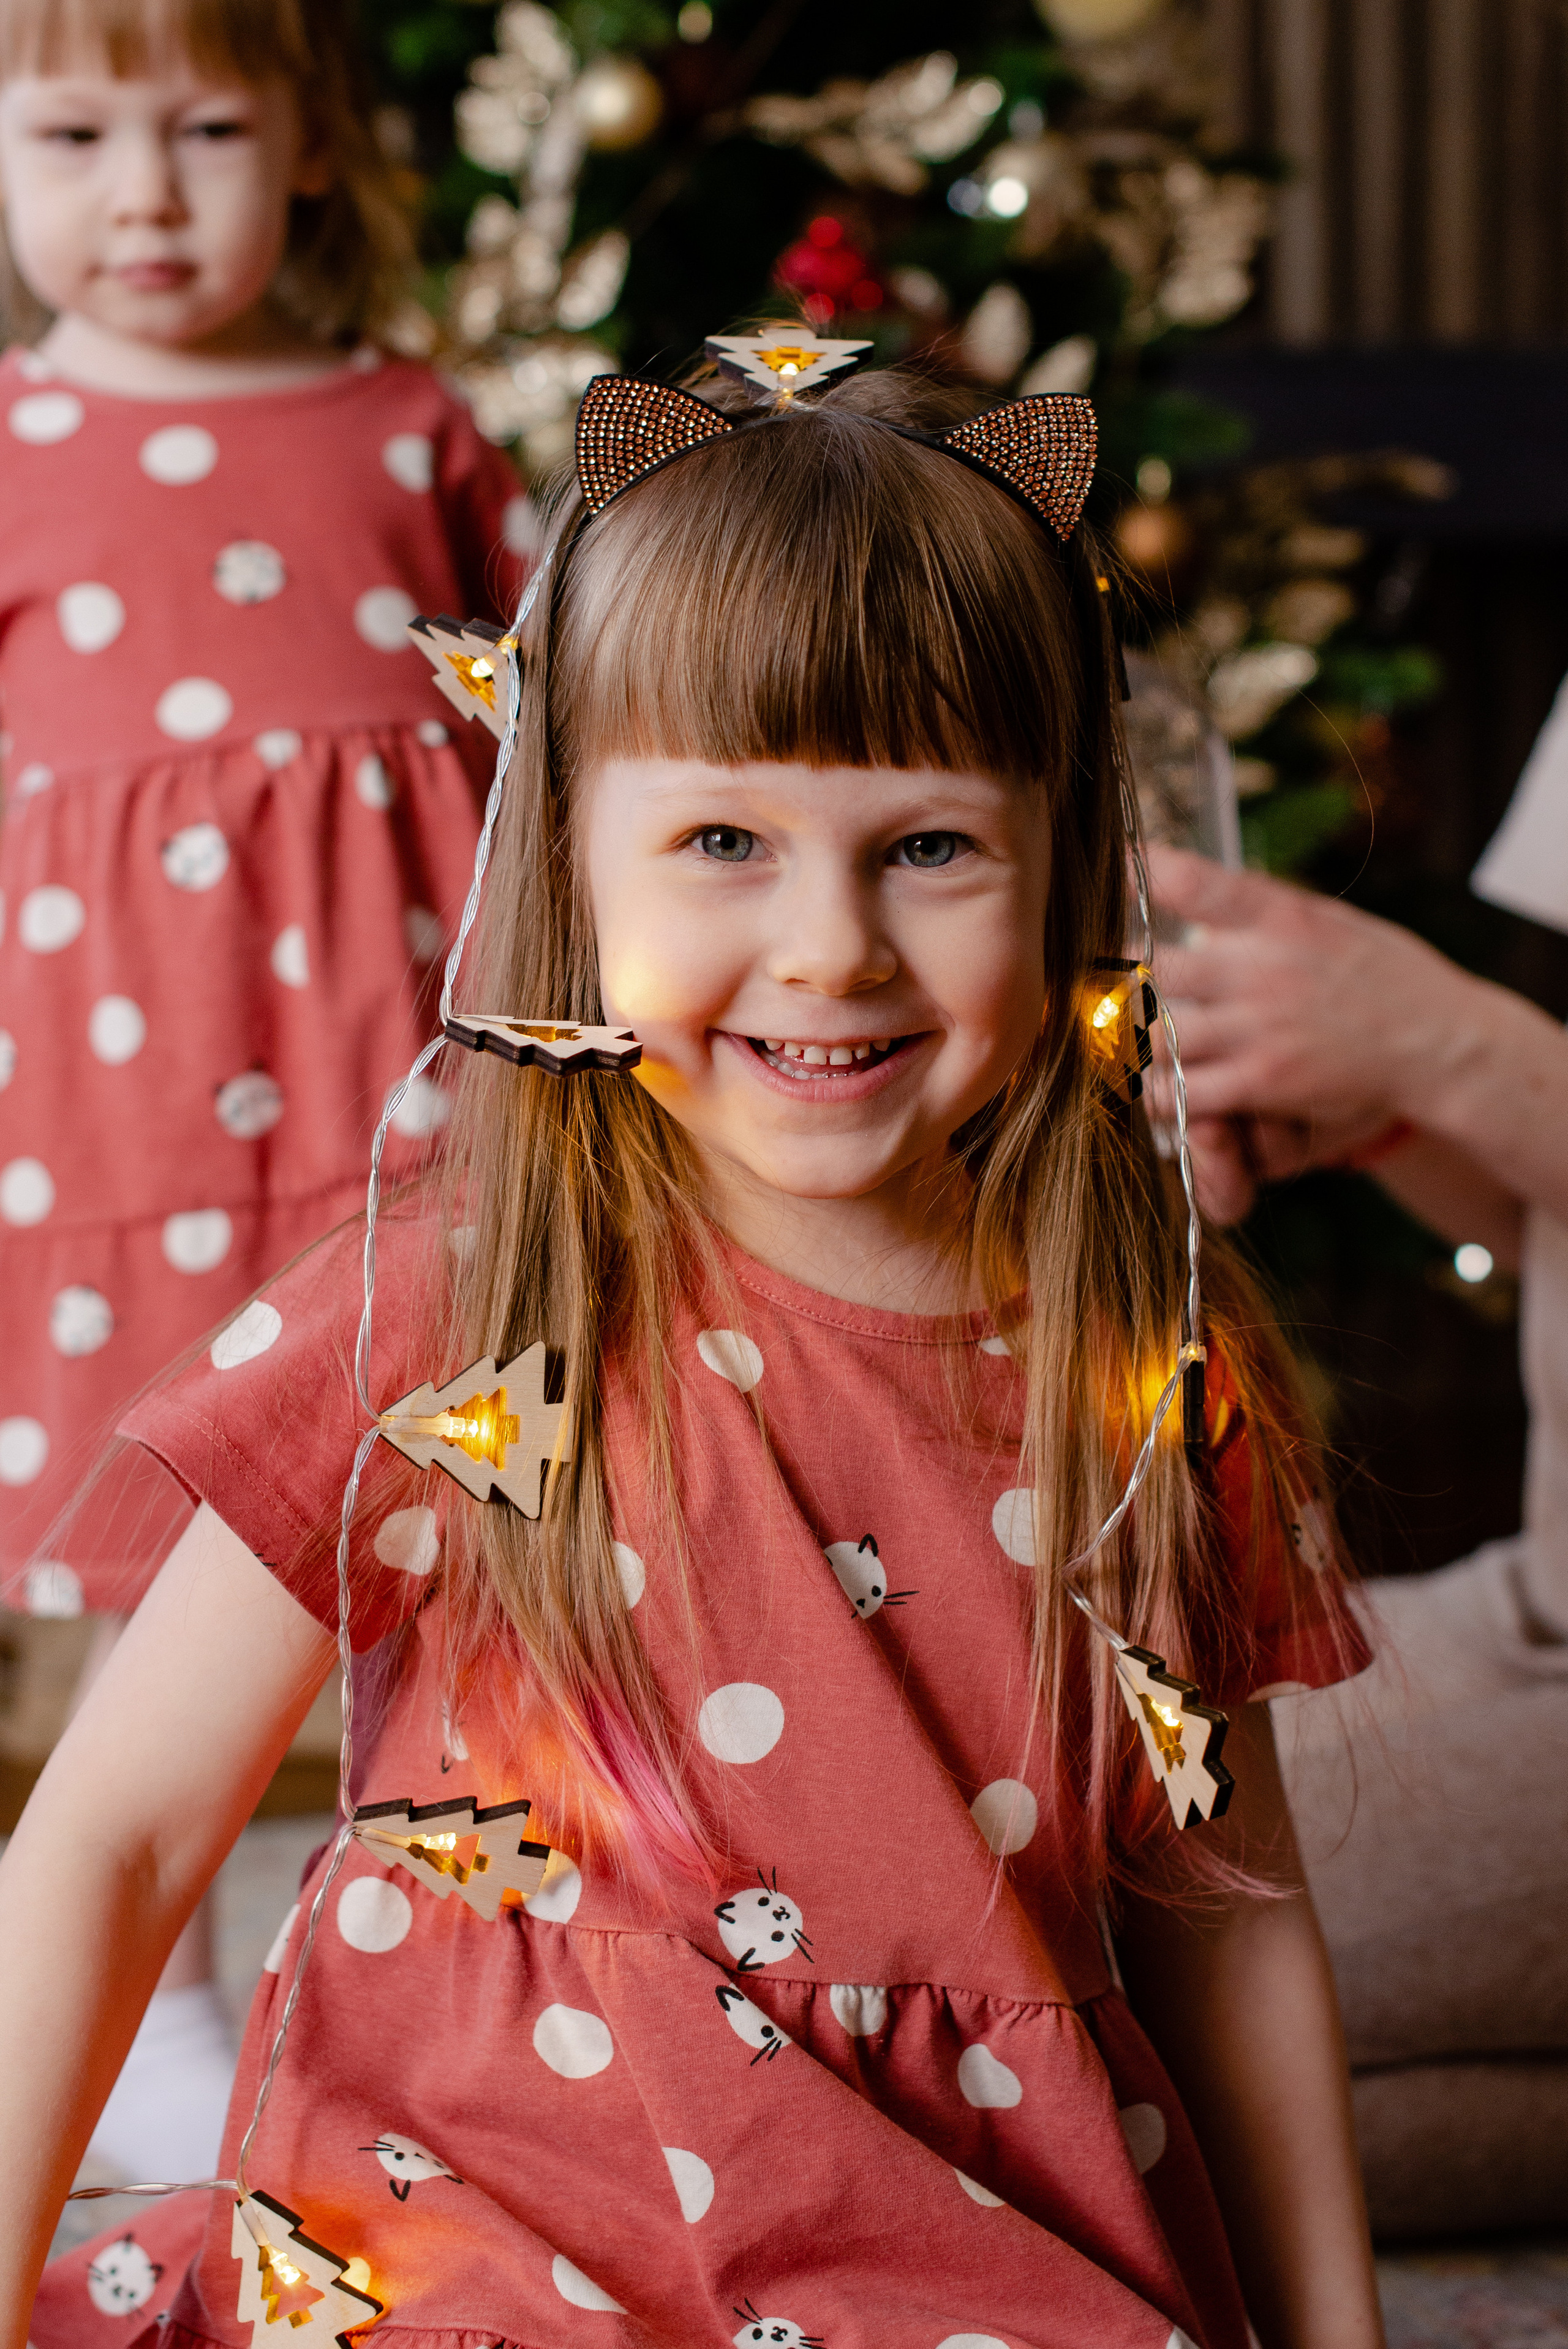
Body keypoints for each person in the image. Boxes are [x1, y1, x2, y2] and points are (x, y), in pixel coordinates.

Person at [4, 357, 1383, 2349]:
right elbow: (118, 1833)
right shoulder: (467, 1310)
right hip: (468, 2244)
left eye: (926, 848)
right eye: (726, 841)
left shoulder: (1140, 1370)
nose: (829, 944)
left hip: (953, 2269)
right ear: (576, 858)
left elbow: (1229, 1930)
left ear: (1065, 859)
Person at [0, 0, 526, 2183]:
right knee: (151, 1512)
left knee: (432, 1468)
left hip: (378, 1078)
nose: (143, 191)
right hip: (99, 1087)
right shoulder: (14, 431)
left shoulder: (410, 426)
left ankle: (440, 1979)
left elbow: (548, 734)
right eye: (75, 129)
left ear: (311, 145)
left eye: (208, 125)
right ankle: (154, 2009)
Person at [1149, 800, 1568, 2237]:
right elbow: (1546, 1239)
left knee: (1149, 1989)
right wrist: (1397, 1113)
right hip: (1538, 1604)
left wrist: (1464, 1047)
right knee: (1059, 1823)